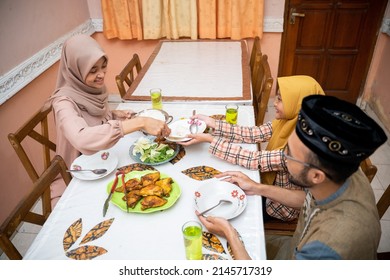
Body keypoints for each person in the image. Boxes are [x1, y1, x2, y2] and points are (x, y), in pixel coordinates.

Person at [197, 95, 387, 260]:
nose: (283, 158)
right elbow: (307, 199)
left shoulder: (327, 249)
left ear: (316, 176)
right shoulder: (342, 171)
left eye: (288, 155)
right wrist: (257, 187)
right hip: (293, 246)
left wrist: (230, 234)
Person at [45, 34, 171, 206]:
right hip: (78, 175)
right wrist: (139, 122)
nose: (101, 75)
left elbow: (92, 117)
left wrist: (114, 115)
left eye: (103, 67)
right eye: (93, 70)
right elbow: (82, 138)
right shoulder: (63, 102)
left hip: (104, 159)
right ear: (76, 69)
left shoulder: (89, 88)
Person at [181, 75, 325, 222]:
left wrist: (210, 140)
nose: (274, 103)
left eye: (280, 100)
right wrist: (212, 123)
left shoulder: (299, 146)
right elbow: (253, 133)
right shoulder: (288, 122)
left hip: (278, 205)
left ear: (297, 104)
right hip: (268, 186)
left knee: (219, 206)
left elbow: (253, 159)